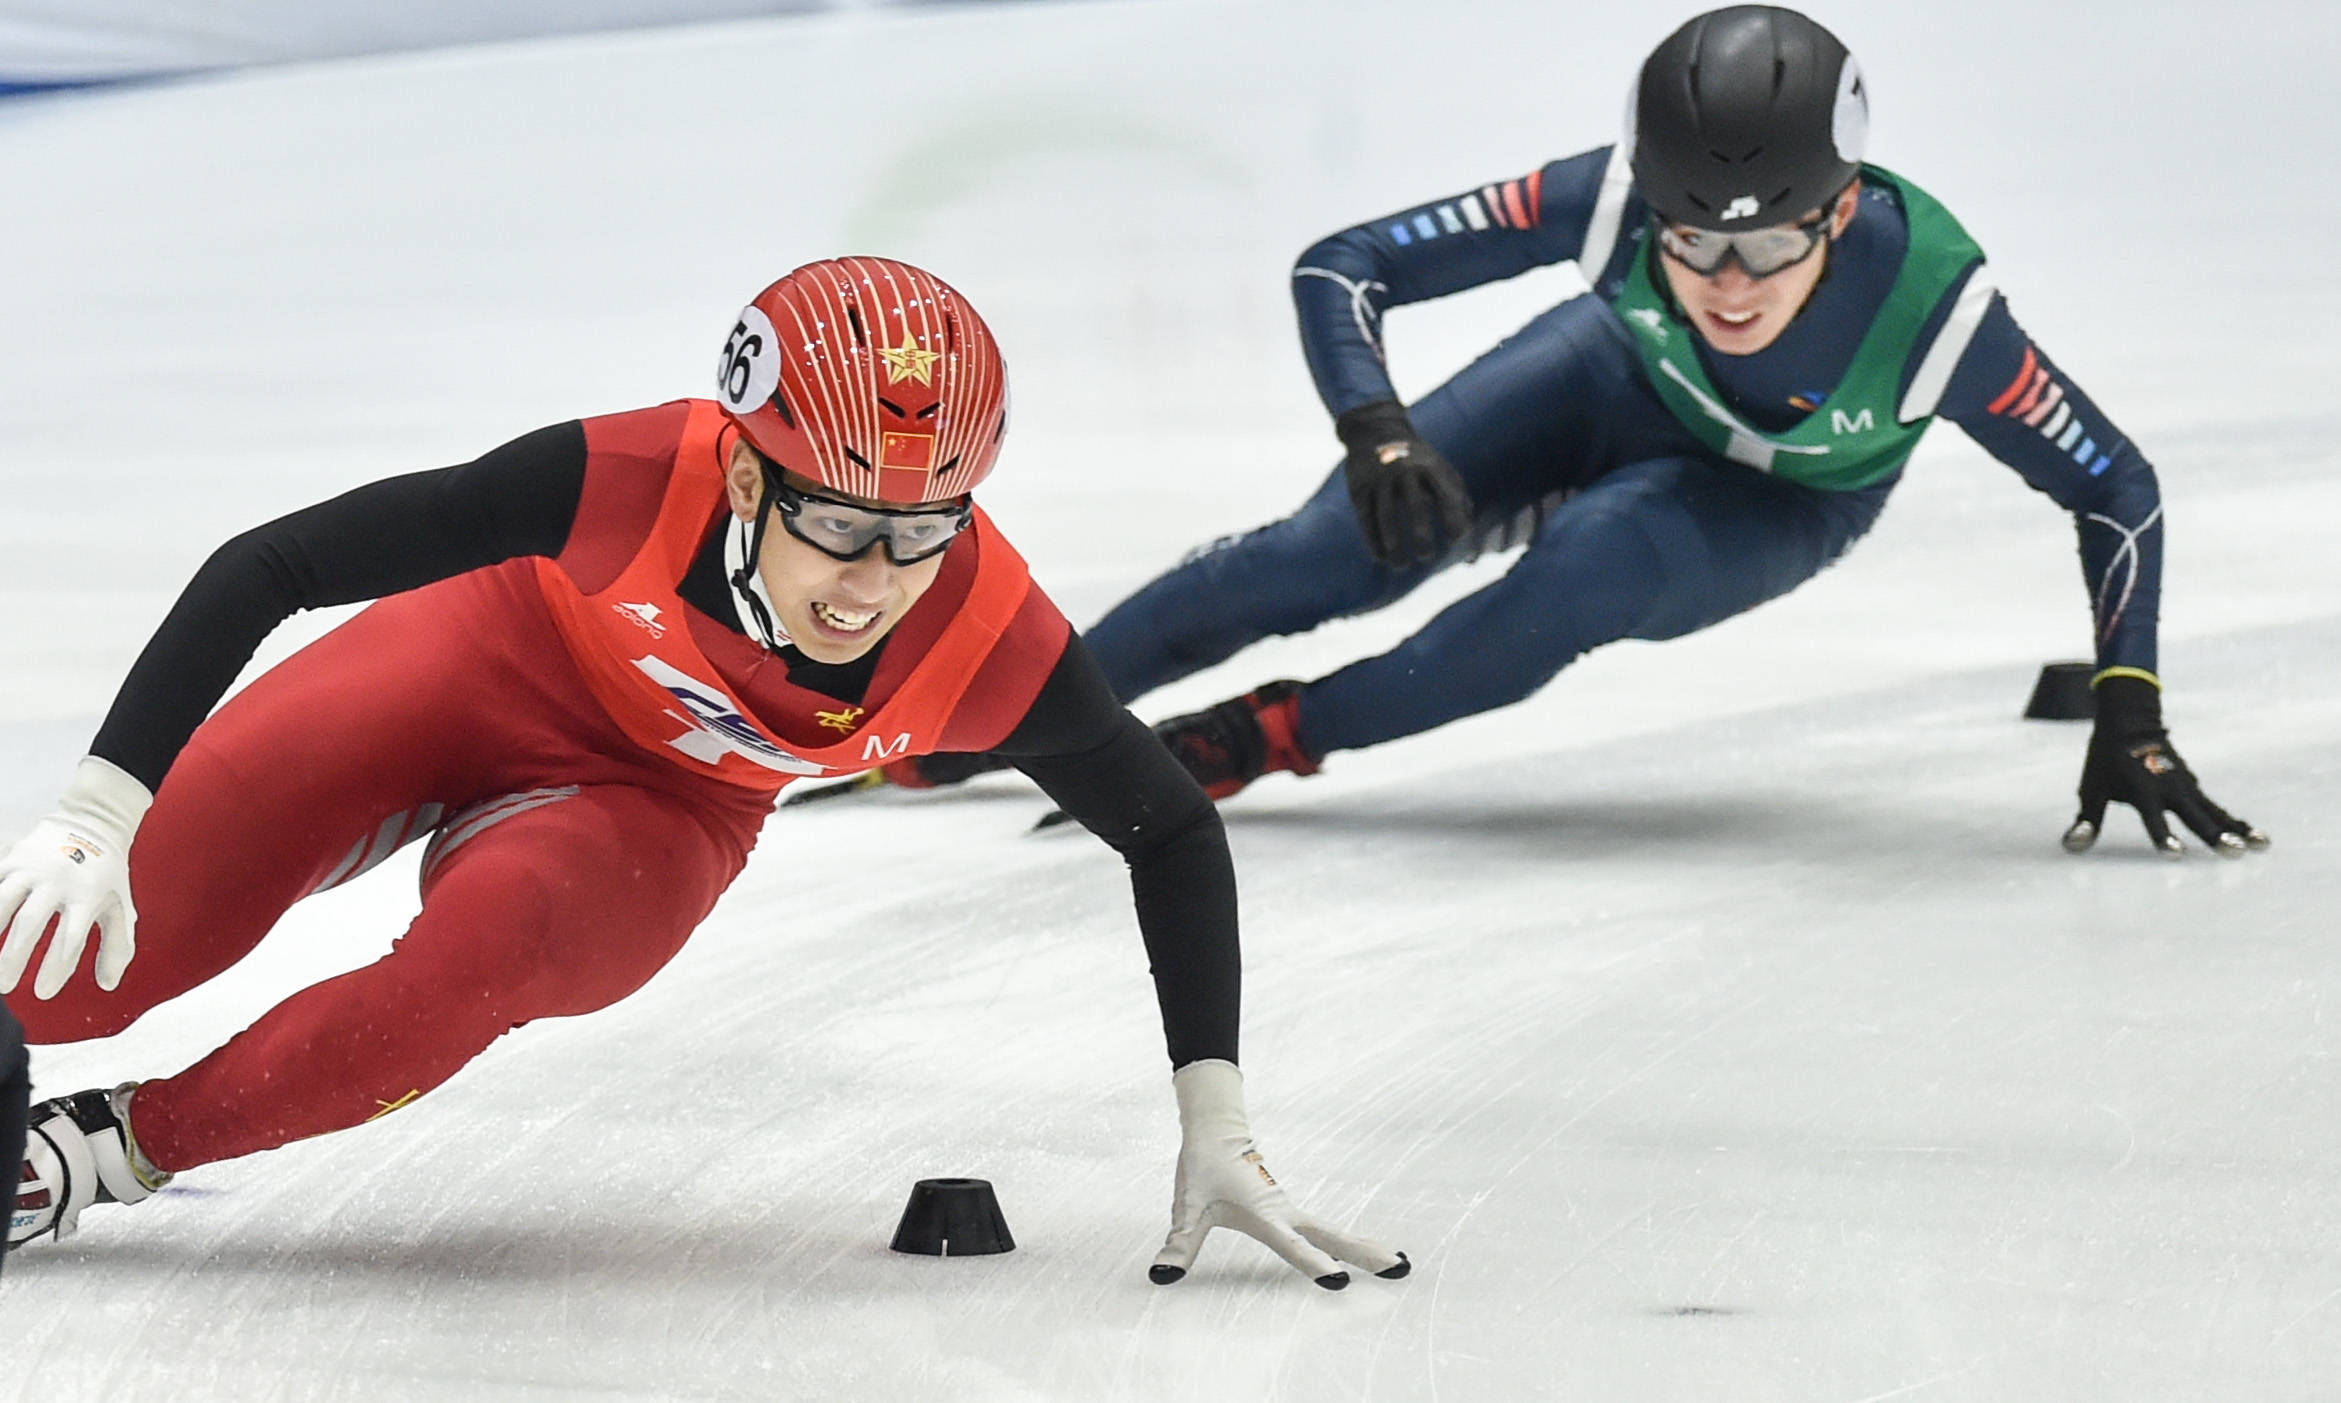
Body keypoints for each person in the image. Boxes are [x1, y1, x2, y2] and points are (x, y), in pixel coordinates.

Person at [0, 257, 1405, 1289]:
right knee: (71, 968)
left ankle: (99, 1156)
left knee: (479, 966)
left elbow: (1164, 828)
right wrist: (97, 810)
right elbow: (277, 564)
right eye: (843, 528)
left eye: (926, 532)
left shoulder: (988, 641)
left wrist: (1216, 1116)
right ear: (745, 481)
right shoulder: (622, 475)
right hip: (471, 656)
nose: (876, 584)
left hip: (658, 812)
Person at [873, 5, 2265, 861]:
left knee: (1582, 572)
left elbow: (2116, 487)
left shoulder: (1938, 314)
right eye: (1688, 244)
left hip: (1769, 494)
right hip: (1608, 376)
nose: (1723, 283)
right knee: (1314, 557)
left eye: (1768, 247)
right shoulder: (1606, 199)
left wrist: (2130, 703)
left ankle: (1267, 734)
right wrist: (1373, 428)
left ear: (1837, 212)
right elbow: (1341, 261)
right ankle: (975, 724)